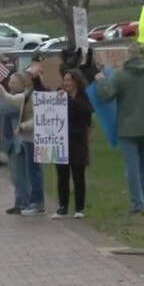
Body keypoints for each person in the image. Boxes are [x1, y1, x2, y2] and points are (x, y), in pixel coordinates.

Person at [95, 42, 144, 214]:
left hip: (128, 128)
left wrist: (101, 81)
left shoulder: (120, 75)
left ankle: (137, 204)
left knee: (132, 168)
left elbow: (106, 96)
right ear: (142, 54)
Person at [0, 61, 48, 216]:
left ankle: (38, 203)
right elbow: (9, 99)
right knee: (30, 171)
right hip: (26, 139)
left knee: (35, 171)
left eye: (27, 76)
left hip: (35, 138)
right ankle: (32, 202)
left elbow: (40, 117)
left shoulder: (37, 95)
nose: (24, 78)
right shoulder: (26, 95)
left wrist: (24, 126)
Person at [52, 69, 94, 219]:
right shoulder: (59, 95)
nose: (66, 83)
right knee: (62, 175)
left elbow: (86, 111)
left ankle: (79, 207)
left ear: (76, 81)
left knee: (78, 175)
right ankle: (63, 206)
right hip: (61, 140)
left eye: (69, 80)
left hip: (77, 141)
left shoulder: (83, 97)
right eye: (65, 80)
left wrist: (69, 99)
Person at [0, 71, 28, 214]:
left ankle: (25, 203)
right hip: (10, 141)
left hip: (20, 142)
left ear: (22, 84)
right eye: (10, 82)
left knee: (21, 175)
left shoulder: (22, 99)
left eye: (14, 83)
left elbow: (5, 109)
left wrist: (0, 96)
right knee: (15, 175)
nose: (10, 85)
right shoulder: (10, 98)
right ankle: (18, 201)